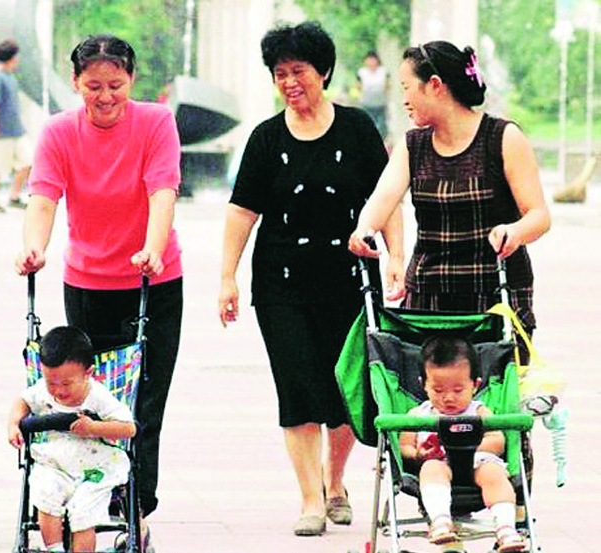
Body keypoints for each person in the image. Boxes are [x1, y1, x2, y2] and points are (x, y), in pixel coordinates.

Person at [218, 21, 404, 537]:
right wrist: (227, 277)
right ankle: (309, 499)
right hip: (281, 282)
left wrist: (396, 256)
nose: (289, 82)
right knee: (297, 387)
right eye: (280, 73)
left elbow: (386, 198)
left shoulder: (357, 129)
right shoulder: (266, 138)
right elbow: (241, 212)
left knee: (343, 388)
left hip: (349, 278)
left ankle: (334, 480)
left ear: (323, 71)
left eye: (298, 71)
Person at [14, 34, 182, 548]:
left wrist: (152, 248)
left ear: (131, 79)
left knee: (142, 404)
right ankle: (77, 496)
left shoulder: (156, 122)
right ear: (75, 83)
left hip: (153, 280)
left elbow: (163, 190)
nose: (105, 96)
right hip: (87, 284)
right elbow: (44, 197)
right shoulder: (59, 132)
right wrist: (34, 247)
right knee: (80, 397)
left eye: (116, 84)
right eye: (93, 86)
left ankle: (135, 506)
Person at [348, 40, 551, 353]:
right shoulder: (413, 145)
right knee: (430, 384)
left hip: (495, 294)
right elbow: (383, 198)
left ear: (434, 85)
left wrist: (514, 232)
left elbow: (539, 216)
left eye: (406, 88)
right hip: (428, 300)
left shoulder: (503, 138)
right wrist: (364, 230)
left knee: (492, 381)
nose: (404, 100)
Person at [8, 326, 136, 553]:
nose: (58, 391)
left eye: (66, 384)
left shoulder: (98, 396)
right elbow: (23, 401)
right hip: (55, 462)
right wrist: (13, 424)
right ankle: (54, 548)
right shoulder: (43, 391)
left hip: (95, 467)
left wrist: (94, 427)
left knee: (83, 511)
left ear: (88, 373)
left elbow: (129, 428)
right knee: (45, 493)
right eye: (51, 383)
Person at [399, 335, 526, 552]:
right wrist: (418, 454)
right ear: (424, 385)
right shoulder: (419, 415)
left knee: (495, 475)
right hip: (440, 464)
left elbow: (497, 441)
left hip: (478, 463)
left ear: (475, 385)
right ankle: (440, 521)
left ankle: (506, 527)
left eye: (458, 390)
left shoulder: (479, 411)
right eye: (438, 390)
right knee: (431, 468)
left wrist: (466, 446)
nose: (448, 397)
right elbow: (404, 447)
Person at [0, 39, 33, 213]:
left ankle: (14, 196)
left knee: (27, 161)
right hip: (1, 132)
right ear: (12, 58)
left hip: (16, 130)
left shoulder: (10, 76)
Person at [356, 50, 388, 142]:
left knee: (382, 126)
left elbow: (388, 85)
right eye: (369, 60)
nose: (371, 62)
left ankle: (382, 142)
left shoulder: (383, 71)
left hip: (381, 104)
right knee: (369, 124)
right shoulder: (361, 72)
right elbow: (358, 86)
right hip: (366, 104)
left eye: (373, 59)